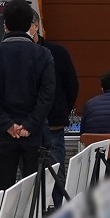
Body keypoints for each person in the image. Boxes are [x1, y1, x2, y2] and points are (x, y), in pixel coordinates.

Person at [0, 0, 57, 190]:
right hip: (35, 134)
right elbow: (47, 94)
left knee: (3, 192)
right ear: (31, 25)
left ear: (5, 24)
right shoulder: (44, 54)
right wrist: (30, 124)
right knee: (35, 193)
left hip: (3, 135)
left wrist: (7, 125)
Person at [36, 25, 77, 169]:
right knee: (29, 175)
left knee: (56, 169)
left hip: (53, 121)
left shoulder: (57, 52)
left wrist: (62, 111)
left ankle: (58, 193)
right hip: (24, 126)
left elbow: (71, 85)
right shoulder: (16, 53)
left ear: (36, 26)